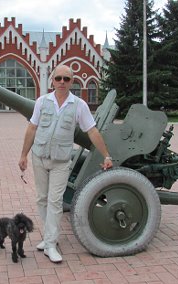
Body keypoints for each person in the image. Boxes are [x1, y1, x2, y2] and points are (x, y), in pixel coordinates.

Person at [18, 64, 113, 263]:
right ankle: (49, 236)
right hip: (39, 157)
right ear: (52, 80)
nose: (62, 82)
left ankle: (51, 244)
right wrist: (23, 155)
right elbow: (32, 128)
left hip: (61, 161)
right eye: (58, 78)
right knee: (42, 199)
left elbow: (92, 131)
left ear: (72, 82)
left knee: (54, 201)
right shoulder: (42, 102)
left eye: (66, 79)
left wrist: (106, 155)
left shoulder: (79, 105)